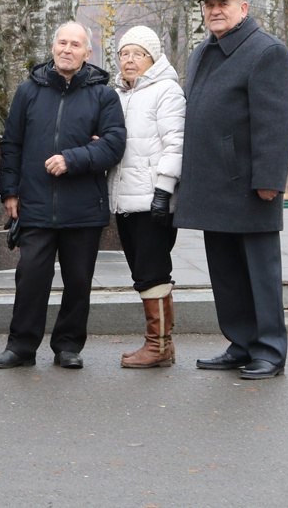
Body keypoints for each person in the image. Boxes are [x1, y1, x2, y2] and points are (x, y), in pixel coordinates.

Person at [176, 0, 288, 380]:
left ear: (243, 7)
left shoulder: (267, 52)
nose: (215, 10)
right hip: (212, 185)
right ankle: (241, 343)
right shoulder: (201, 53)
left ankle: (269, 350)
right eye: (209, 4)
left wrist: (269, 180)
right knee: (226, 273)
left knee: (261, 274)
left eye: (223, 3)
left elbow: (276, 124)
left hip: (249, 186)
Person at [0, 21, 126, 370]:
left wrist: (73, 159)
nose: (67, 49)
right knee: (31, 277)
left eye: (75, 44)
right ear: (52, 48)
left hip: (84, 207)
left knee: (78, 282)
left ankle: (67, 346)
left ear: (87, 53)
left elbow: (114, 145)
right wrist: (9, 190)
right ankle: (20, 347)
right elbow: (12, 145)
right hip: (34, 204)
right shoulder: (28, 91)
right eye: (62, 43)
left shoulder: (103, 95)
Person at [109, 25, 185, 369]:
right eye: (124, 53)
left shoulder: (166, 91)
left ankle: (157, 345)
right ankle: (162, 345)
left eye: (138, 53)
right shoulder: (119, 94)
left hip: (152, 199)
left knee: (152, 271)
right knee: (144, 271)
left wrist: (163, 190)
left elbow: (176, 142)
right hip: (126, 200)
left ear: (152, 59)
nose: (129, 60)